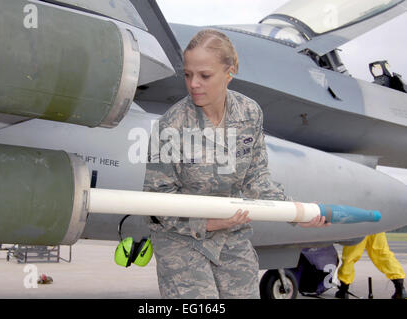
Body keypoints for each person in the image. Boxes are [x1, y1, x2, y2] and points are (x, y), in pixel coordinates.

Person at [143, 29, 329, 299]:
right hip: (181, 239)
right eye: (187, 74)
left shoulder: (249, 113)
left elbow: (256, 180)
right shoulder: (170, 127)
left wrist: (296, 214)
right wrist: (207, 223)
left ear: (230, 72)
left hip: (231, 235)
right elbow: (155, 203)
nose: (193, 83)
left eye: (204, 75)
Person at [335, 232, 406, 299]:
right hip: (377, 225)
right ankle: (400, 289)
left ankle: (344, 290)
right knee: (383, 255)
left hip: (357, 225)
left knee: (350, 258)